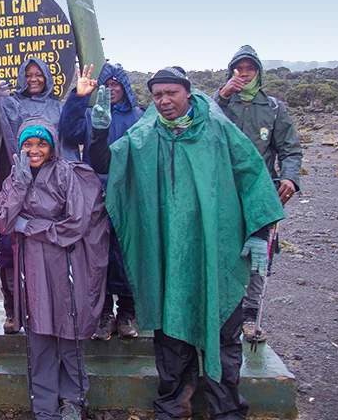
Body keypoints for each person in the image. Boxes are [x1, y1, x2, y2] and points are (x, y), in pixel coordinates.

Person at [87, 68, 285, 420]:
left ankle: (226, 408)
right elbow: (106, 163)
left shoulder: (218, 129)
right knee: (171, 331)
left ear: (188, 93)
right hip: (169, 252)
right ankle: (174, 404)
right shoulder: (146, 134)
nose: (164, 101)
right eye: (157, 95)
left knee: (223, 331)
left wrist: (259, 231)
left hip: (217, 248)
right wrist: (100, 132)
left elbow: (252, 173)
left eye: (171, 93)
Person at [0, 116, 108, 420]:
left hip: (66, 265)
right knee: (40, 335)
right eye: (28, 144)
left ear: (52, 145)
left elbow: (76, 224)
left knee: (69, 332)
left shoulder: (67, 174)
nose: (34, 150)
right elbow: (2, 221)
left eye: (41, 143)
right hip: (32, 269)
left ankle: (73, 400)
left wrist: (31, 227)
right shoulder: (14, 178)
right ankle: (44, 406)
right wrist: (20, 185)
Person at [0, 57, 79, 334]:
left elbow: (68, 143)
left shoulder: (58, 107)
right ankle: (12, 309)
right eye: (29, 74)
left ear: (47, 77)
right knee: (8, 250)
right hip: (17, 184)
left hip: (51, 189)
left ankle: (48, 311)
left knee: (50, 254)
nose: (34, 79)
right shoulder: (12, 103)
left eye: (39, 74)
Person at [212, 45, 303, 342]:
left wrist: (289, 177)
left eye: (249, 68)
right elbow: (200, 122)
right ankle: (221, 313)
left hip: (260, 195)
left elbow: (290, 149)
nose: (244, 73)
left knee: (258, 256)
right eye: (238, 68)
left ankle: (250, 318)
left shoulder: (274, 108)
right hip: (222, 193)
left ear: (259, 72)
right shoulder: (220, 102)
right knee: (223, 253)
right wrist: (223, 95)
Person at [59, 62, 144, 340]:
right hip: (95, 194)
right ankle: (104, 314)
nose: (112, 90)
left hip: (129, 195)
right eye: (106, 86)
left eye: (116, 85)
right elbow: (68, 130)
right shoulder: (90, 114)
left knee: (127, 252)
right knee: (98, 253)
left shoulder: (139, 117)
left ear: (125, 87)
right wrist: (78, 98)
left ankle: (127, 313)